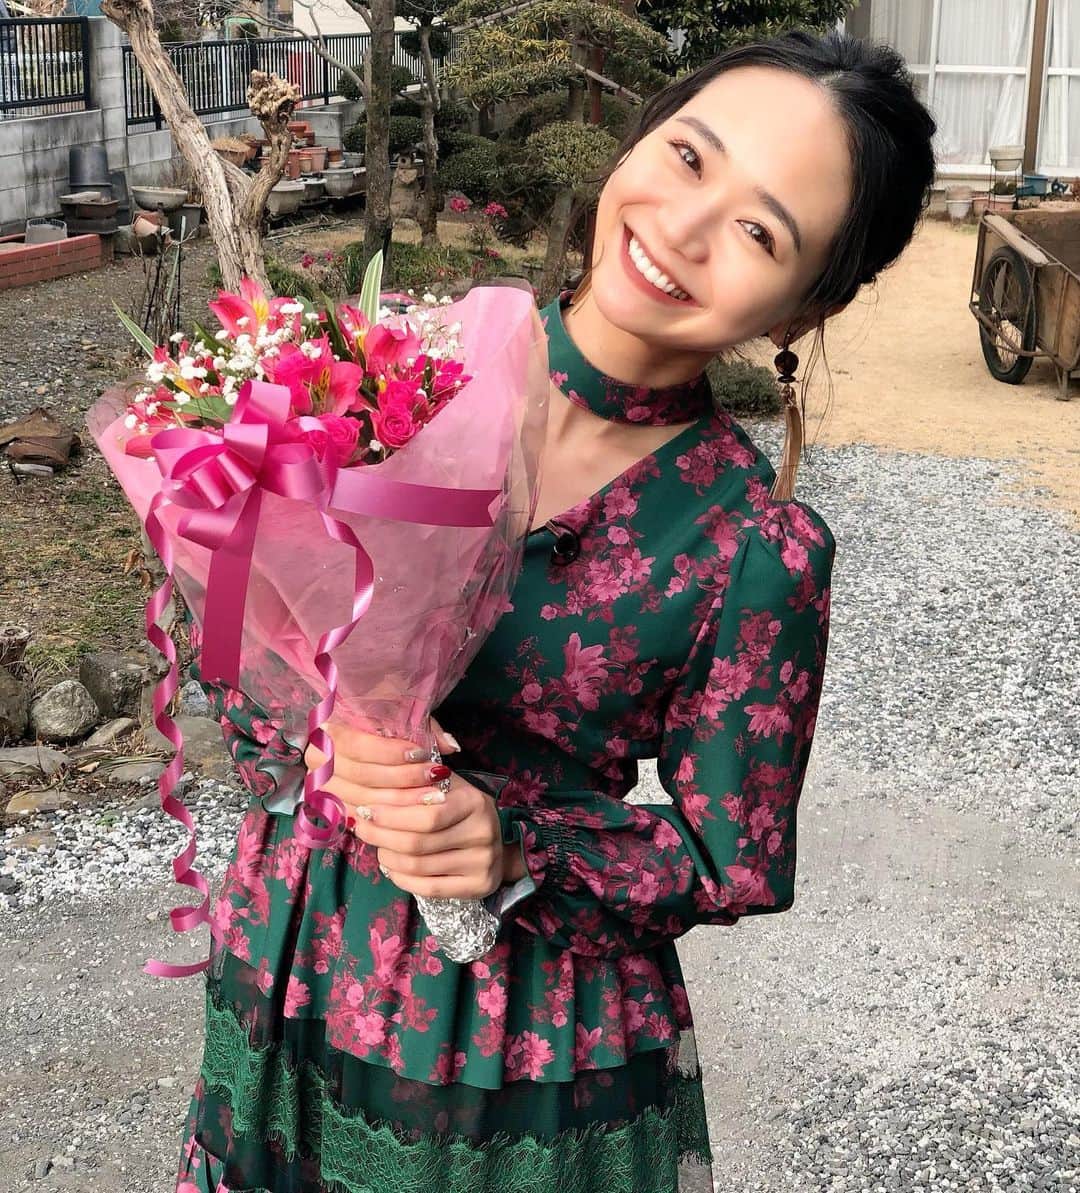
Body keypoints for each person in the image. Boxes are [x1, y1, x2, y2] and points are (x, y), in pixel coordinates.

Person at [175, 27, 936, 1193]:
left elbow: (734, 860)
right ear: (638, 141)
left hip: (508, 1046)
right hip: (292, 946)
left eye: (759, 231)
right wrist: (306, 718)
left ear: (803, 307)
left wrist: (518, 842)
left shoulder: (751, 544)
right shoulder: (391, 374)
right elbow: (239, 657)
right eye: (689, 157)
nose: (684, 227)